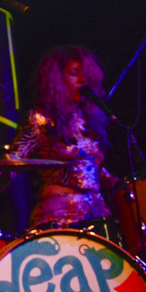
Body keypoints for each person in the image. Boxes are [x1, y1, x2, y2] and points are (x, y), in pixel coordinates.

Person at [8, 45, 118, 231]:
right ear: (57, 79)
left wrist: (123, 184)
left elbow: (89, 167)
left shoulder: (87, 120)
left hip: (97, 213)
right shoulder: (40, 119)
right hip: (60, 215)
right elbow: (15, 158)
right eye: (74, 73)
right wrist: (0, 173)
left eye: (85, 74)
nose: (82, 80)